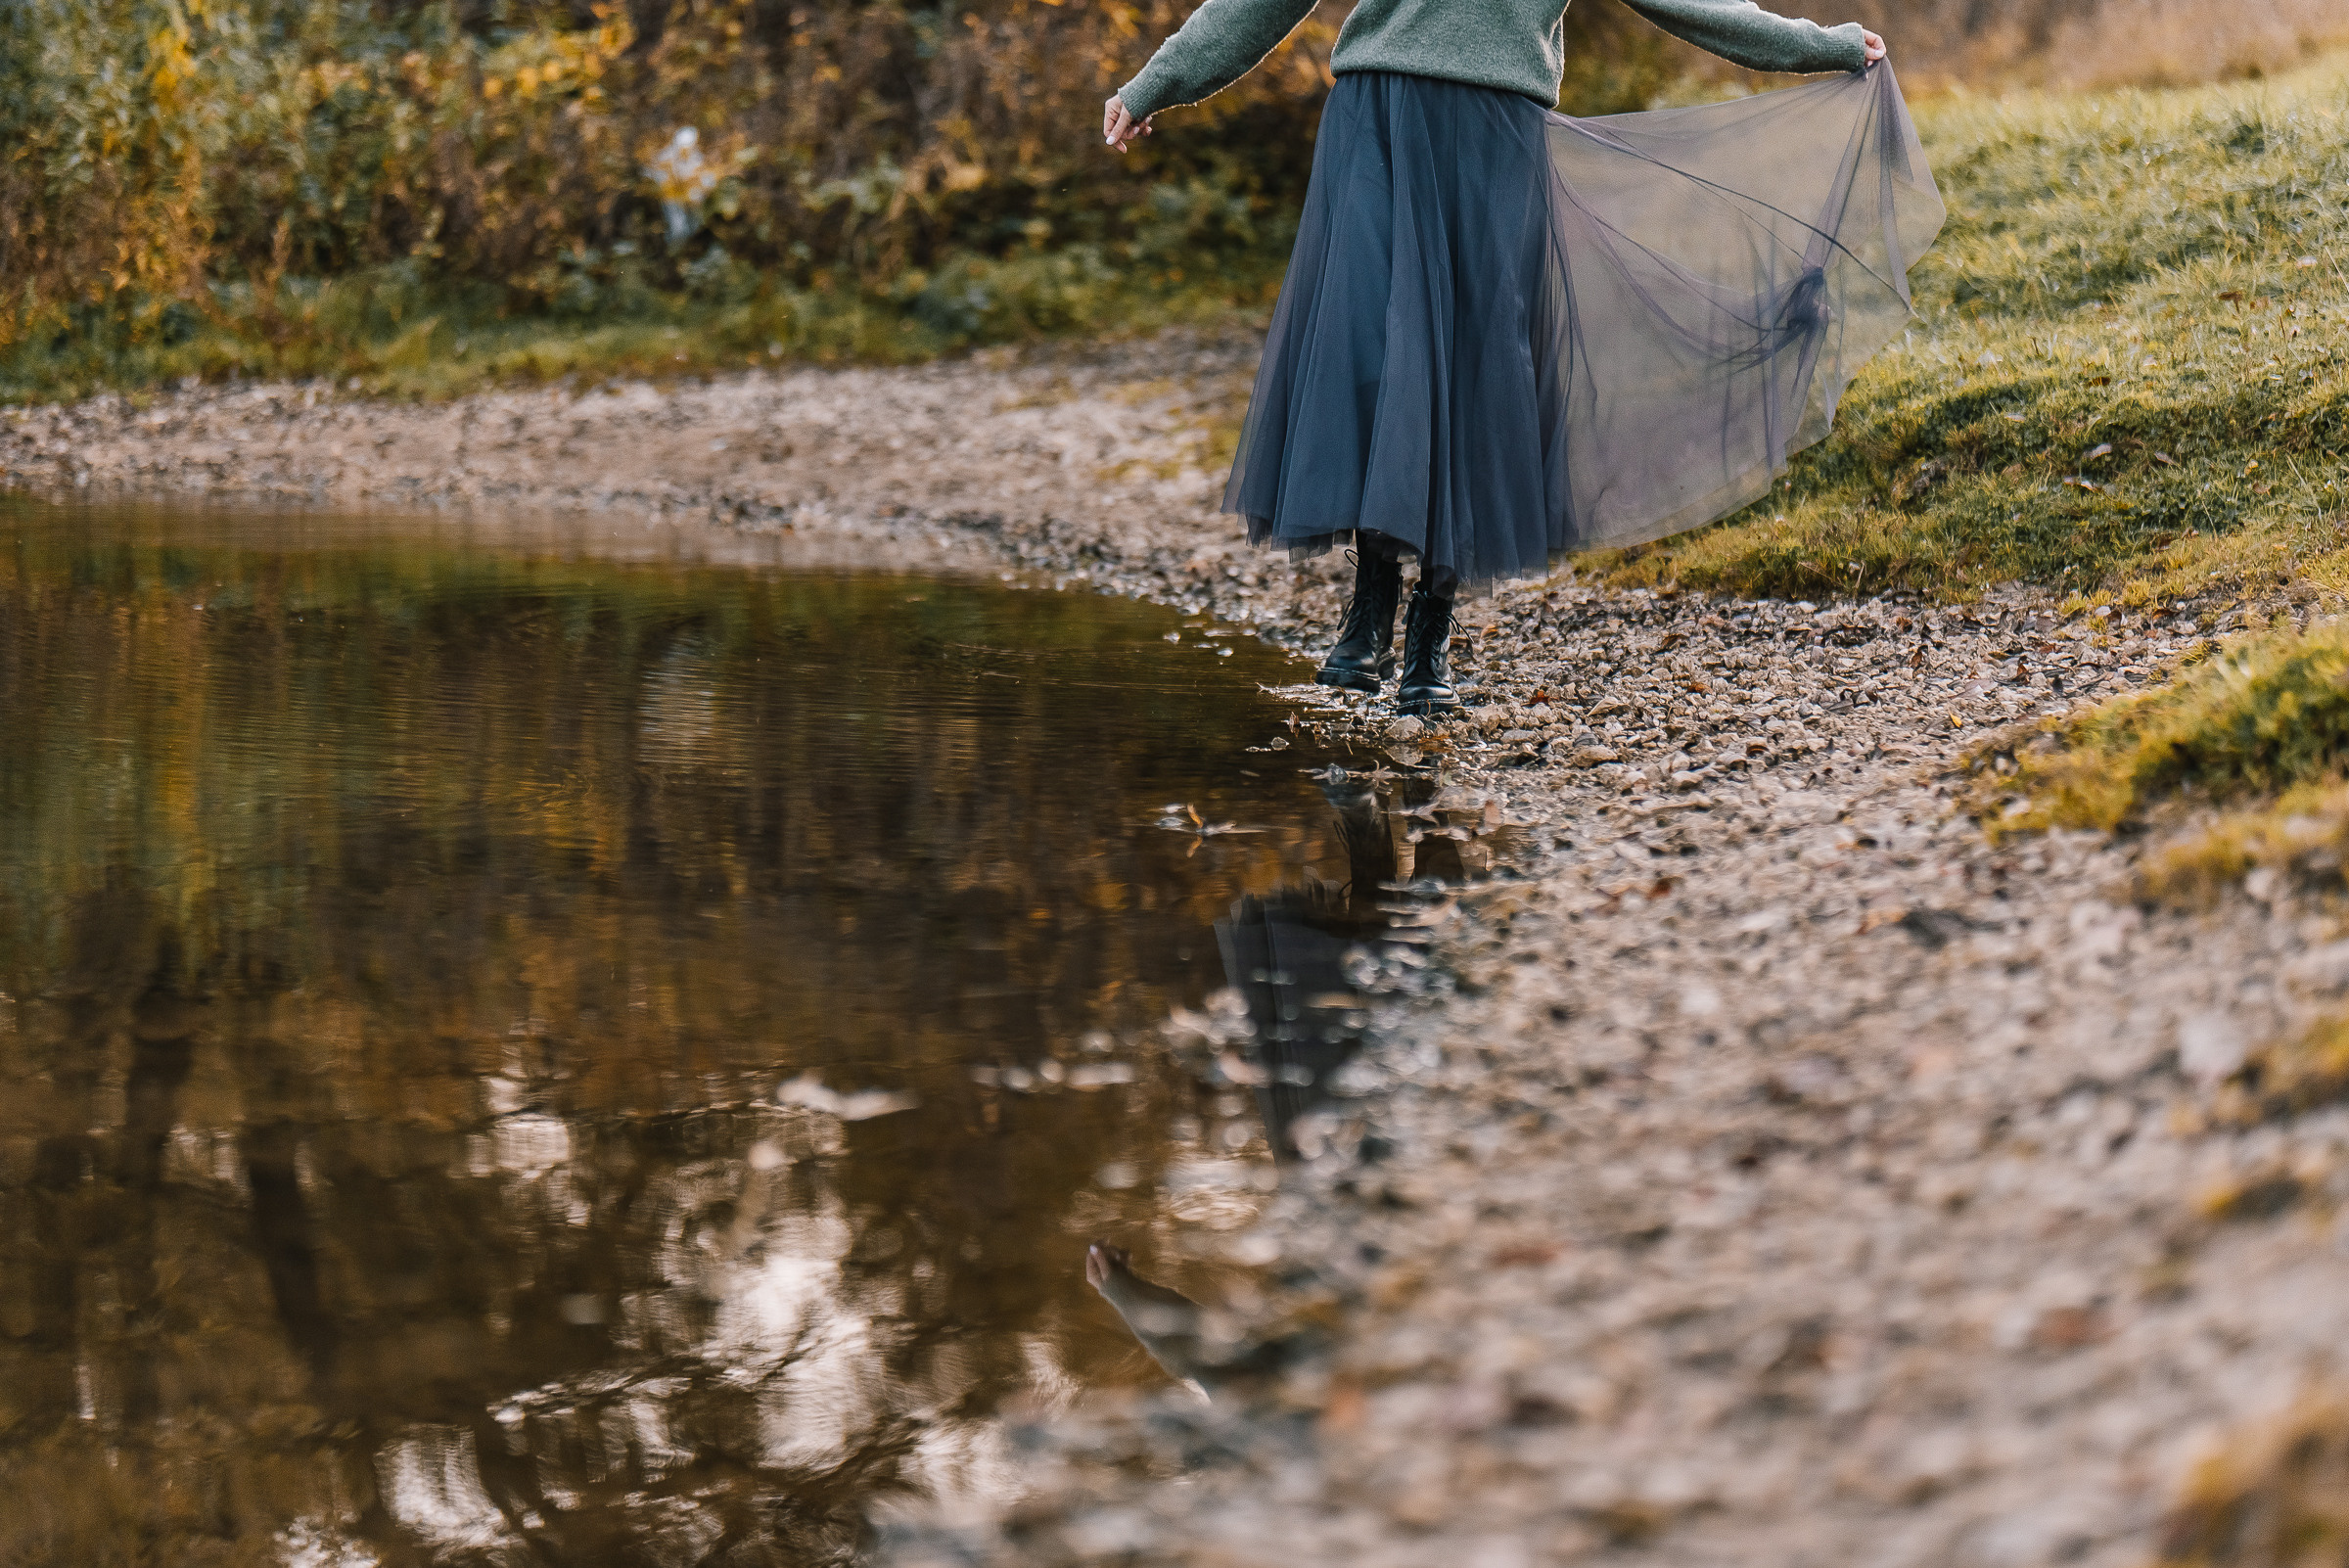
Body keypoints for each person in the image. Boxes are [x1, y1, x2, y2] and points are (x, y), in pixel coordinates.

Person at [1103, 0, 1942, 715]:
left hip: (1493, 139)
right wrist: (1157, 84)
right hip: (1377, 123)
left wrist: (1819, 45)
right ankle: (1367, 614)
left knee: (1473, 367)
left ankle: (1430, 636)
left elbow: (1690, 2)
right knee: (1372, 352)